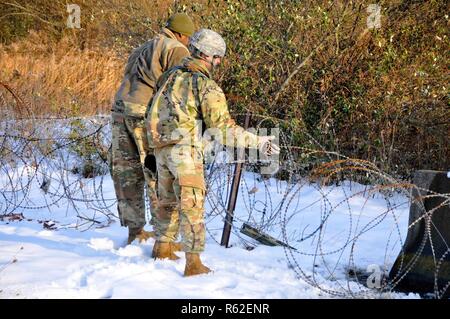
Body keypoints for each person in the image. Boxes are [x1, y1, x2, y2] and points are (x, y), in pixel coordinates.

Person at [146, 29, 280, 276]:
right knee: (192, 204)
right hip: (185, 151)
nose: (218, 62)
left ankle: (162, 248)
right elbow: (223, 129)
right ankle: (193, 264)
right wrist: (259, 142)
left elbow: (151, 108)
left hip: (160, 149)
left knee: (167, 202)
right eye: (217, 57)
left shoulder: (168, 76)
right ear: (206, 54)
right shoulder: (206, 86)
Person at [110, 13, 195, 245]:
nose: (188, 42)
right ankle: (163, 238)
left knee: (126, 174)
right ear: (181, 34)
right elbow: (178, 89)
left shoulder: (141, 48)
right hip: (144, 113)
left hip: (120, 110)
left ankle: (134, 231)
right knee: (157, 173)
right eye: (187, 37)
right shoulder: (177, 49)